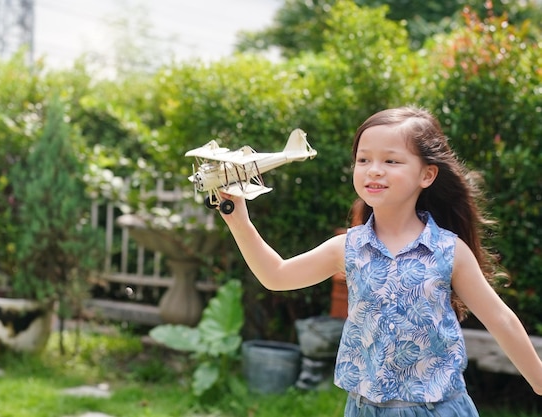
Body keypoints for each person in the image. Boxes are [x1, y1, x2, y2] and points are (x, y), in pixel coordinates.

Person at [219, 106, 542, 416]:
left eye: (391, 160)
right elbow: (276, 276)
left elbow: (501, 319)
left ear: (427, 174)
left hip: (437, 410)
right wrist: (238, 220)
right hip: (364, 410)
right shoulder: (347, 248)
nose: (374, 169)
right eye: (363, 159)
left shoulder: (448, 250)